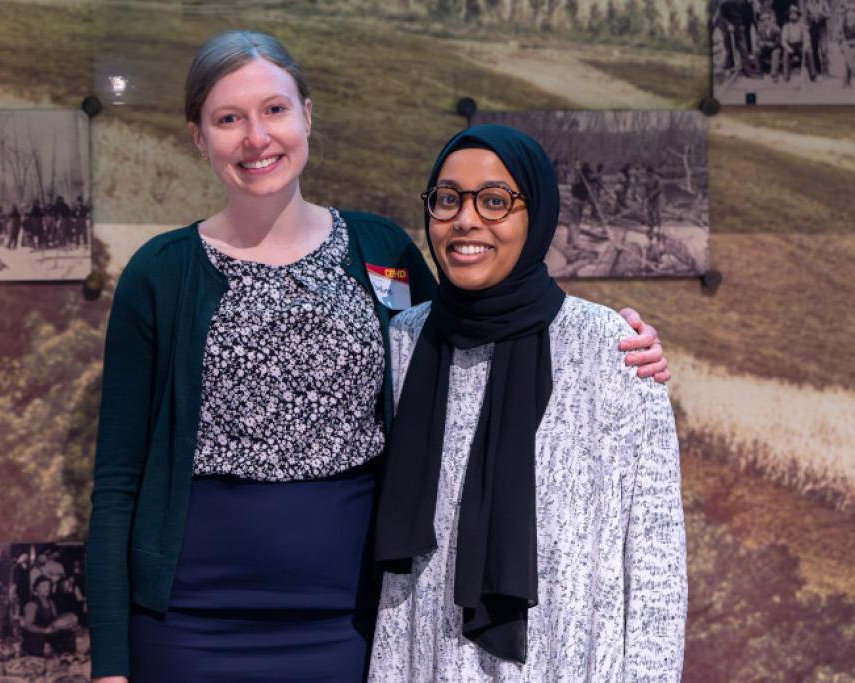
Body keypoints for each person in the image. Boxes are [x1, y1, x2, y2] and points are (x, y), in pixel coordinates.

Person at [85, 31, 670, 683]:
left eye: (274, 109)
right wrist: (111, 664)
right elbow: (118, 481)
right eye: (229, 119)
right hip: (189, 622)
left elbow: (476, 330)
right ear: (199, 136)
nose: (257, 137)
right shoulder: (161, 274)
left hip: (350, 621)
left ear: (307, 114)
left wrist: (614, 341)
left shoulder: (381, 250)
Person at [371, 125, 687, 681]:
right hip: (424, 662)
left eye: (495, 201)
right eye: (448, 198)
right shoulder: (404, 341)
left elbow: (655, 558)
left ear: (535, 213)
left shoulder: (609, 348)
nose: (465, 219)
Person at [757, 9, 784, 80]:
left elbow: (778, 43)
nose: (764, 22)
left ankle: (774, 74)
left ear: (770, 20)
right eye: (762, 20)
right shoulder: (760, 29)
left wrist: (770, 44)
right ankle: (759, 72)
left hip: (774, 47)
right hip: (765, 48)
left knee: (776, 52)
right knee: (757, 51)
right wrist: (760, 43)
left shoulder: (776, 29)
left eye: (765, 20)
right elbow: (758, 41)